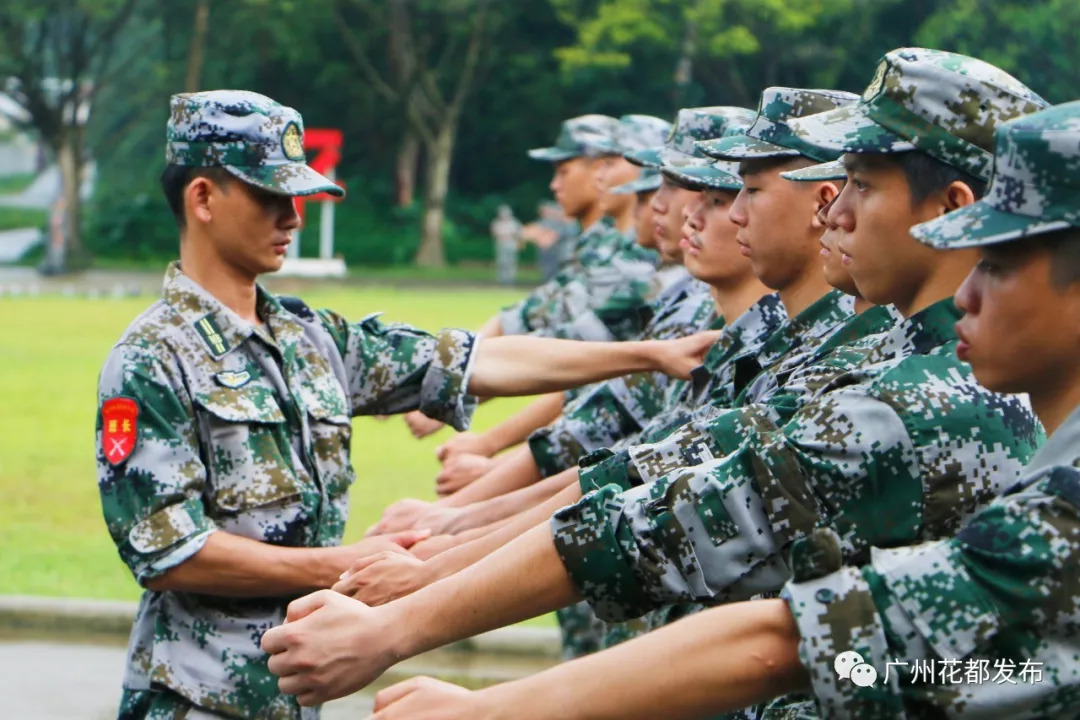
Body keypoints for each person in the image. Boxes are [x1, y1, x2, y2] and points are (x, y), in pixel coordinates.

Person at [258, 50, 1047, 708]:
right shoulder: (916, 370)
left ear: (953, 208)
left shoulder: (926, 398)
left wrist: (461, 680)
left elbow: (745, 597)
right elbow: (652, 473)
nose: (837, 211)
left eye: (863, 186)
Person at [95, 90, 721, 720]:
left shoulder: (310, 338)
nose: (293, 217)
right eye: (269, 196)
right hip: (193, 695)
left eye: (297, 197)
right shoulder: (152, 358)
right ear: (202, 198)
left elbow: (478, 362)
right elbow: (167, 550)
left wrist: (648, 355)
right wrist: (337, 566)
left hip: (294, 687)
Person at [490, 204, 522, 285]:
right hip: (501, 245)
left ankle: (511, 279)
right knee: (502, 262)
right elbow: (495, 233)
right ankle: (502, 279)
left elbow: (518, 234)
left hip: (511, 245)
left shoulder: (514, 223)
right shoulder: (497, 223)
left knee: (511, 262)